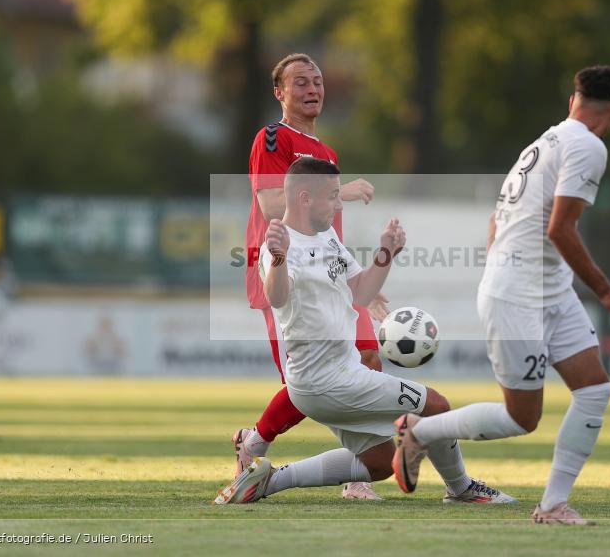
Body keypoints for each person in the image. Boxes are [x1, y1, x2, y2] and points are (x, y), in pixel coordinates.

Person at [391, 66, 610, 525]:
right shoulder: (588, 147)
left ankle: (552, 506)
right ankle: (420, 431)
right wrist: (605, 292)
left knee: (594, 391)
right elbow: (560, 228)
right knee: (521, 418)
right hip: (519, 295)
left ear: (574, 99)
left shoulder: (546, 140)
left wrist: (503, 264)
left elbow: (498, 216)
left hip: (549, 289)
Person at [215, 158, 514, 505]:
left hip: (334, 376)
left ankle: (270, 480)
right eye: (333, 197)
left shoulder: (324, 235)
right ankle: (461, 488)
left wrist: (386, 253)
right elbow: (277, 295)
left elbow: (360, 291)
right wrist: (279, 260)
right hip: (327, 380)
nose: (340, 204)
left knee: (380, 463)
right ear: (304, 199)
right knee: (436, 406)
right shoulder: (280, 244)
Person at [236, 53, 388, 500]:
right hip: (285, 274)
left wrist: (360, 285)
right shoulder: (273, 137)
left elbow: (326, 229)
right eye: (300, 82)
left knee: (367, 361)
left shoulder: (326, 152)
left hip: (329, 276)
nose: (312, 89)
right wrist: (342, 192)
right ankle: (255, 442)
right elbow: (269, 205)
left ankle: (358, 475)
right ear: (279, 93)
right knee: (308, 383)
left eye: (317, 81)